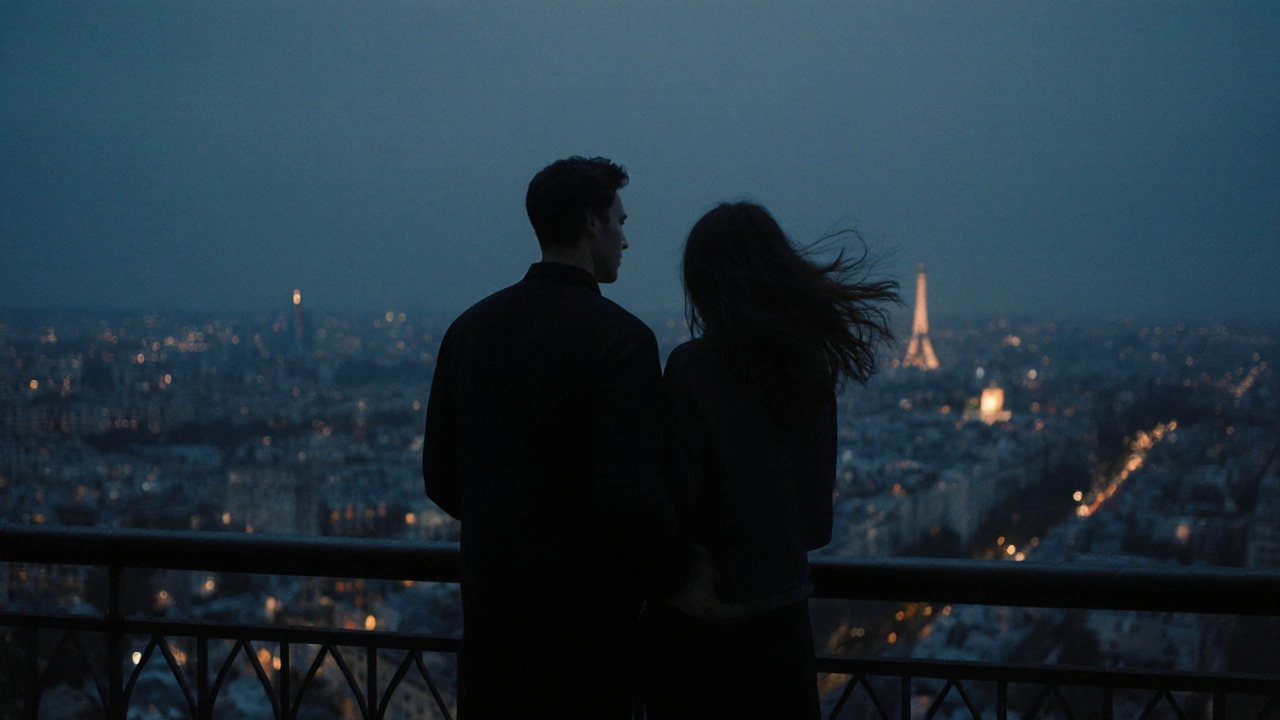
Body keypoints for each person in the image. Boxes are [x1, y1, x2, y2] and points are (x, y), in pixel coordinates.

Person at [422, 156, 704, 718]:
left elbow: (441, 477)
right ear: (591, 224)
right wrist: (681, 581)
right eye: (620, 222)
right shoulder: (622, 340)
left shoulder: (468, 330)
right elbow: (633, 497)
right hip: (588, 641)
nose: (626, 240)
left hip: (492, 629)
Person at [643, 201, 899, 718]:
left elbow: (671, 497)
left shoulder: (694, 369)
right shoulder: (809, 365)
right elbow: (814, 519)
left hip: (706, 622)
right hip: (784, 624)